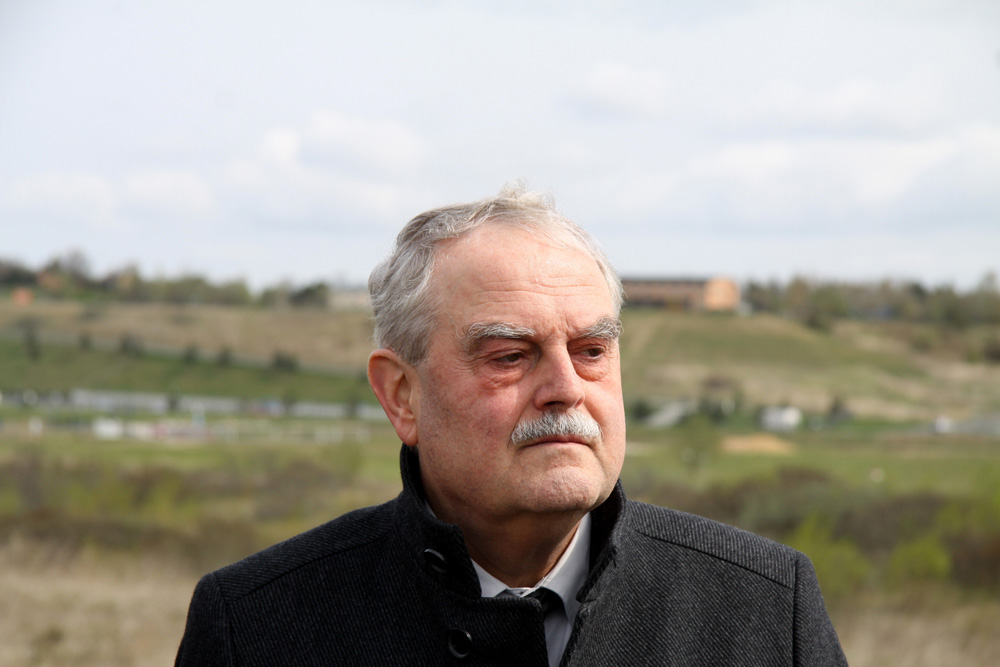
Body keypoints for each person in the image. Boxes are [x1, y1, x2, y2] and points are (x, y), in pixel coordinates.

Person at [175, 187, 848, 666]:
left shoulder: (763, 607)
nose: (565, 389)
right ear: (401, 394)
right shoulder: (257, 627)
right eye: (510, 356)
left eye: (591, 350)